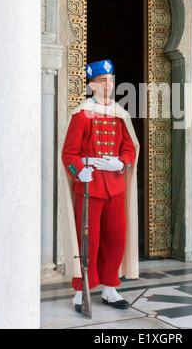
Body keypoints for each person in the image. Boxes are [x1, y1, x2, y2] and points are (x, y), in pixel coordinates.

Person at [61, 60, 139, 313]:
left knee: (116, 237)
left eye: (111, 80)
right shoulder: (82, 113)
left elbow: (129, 148)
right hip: (90, 186)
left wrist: (120, 164)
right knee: (89, 240)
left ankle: (110, 287)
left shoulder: (120, 114)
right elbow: (68, 153)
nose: (109, 85)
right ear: (92, 85)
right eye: (103, 81)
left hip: (115, 186)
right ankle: (81, 288)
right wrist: (79, 170)